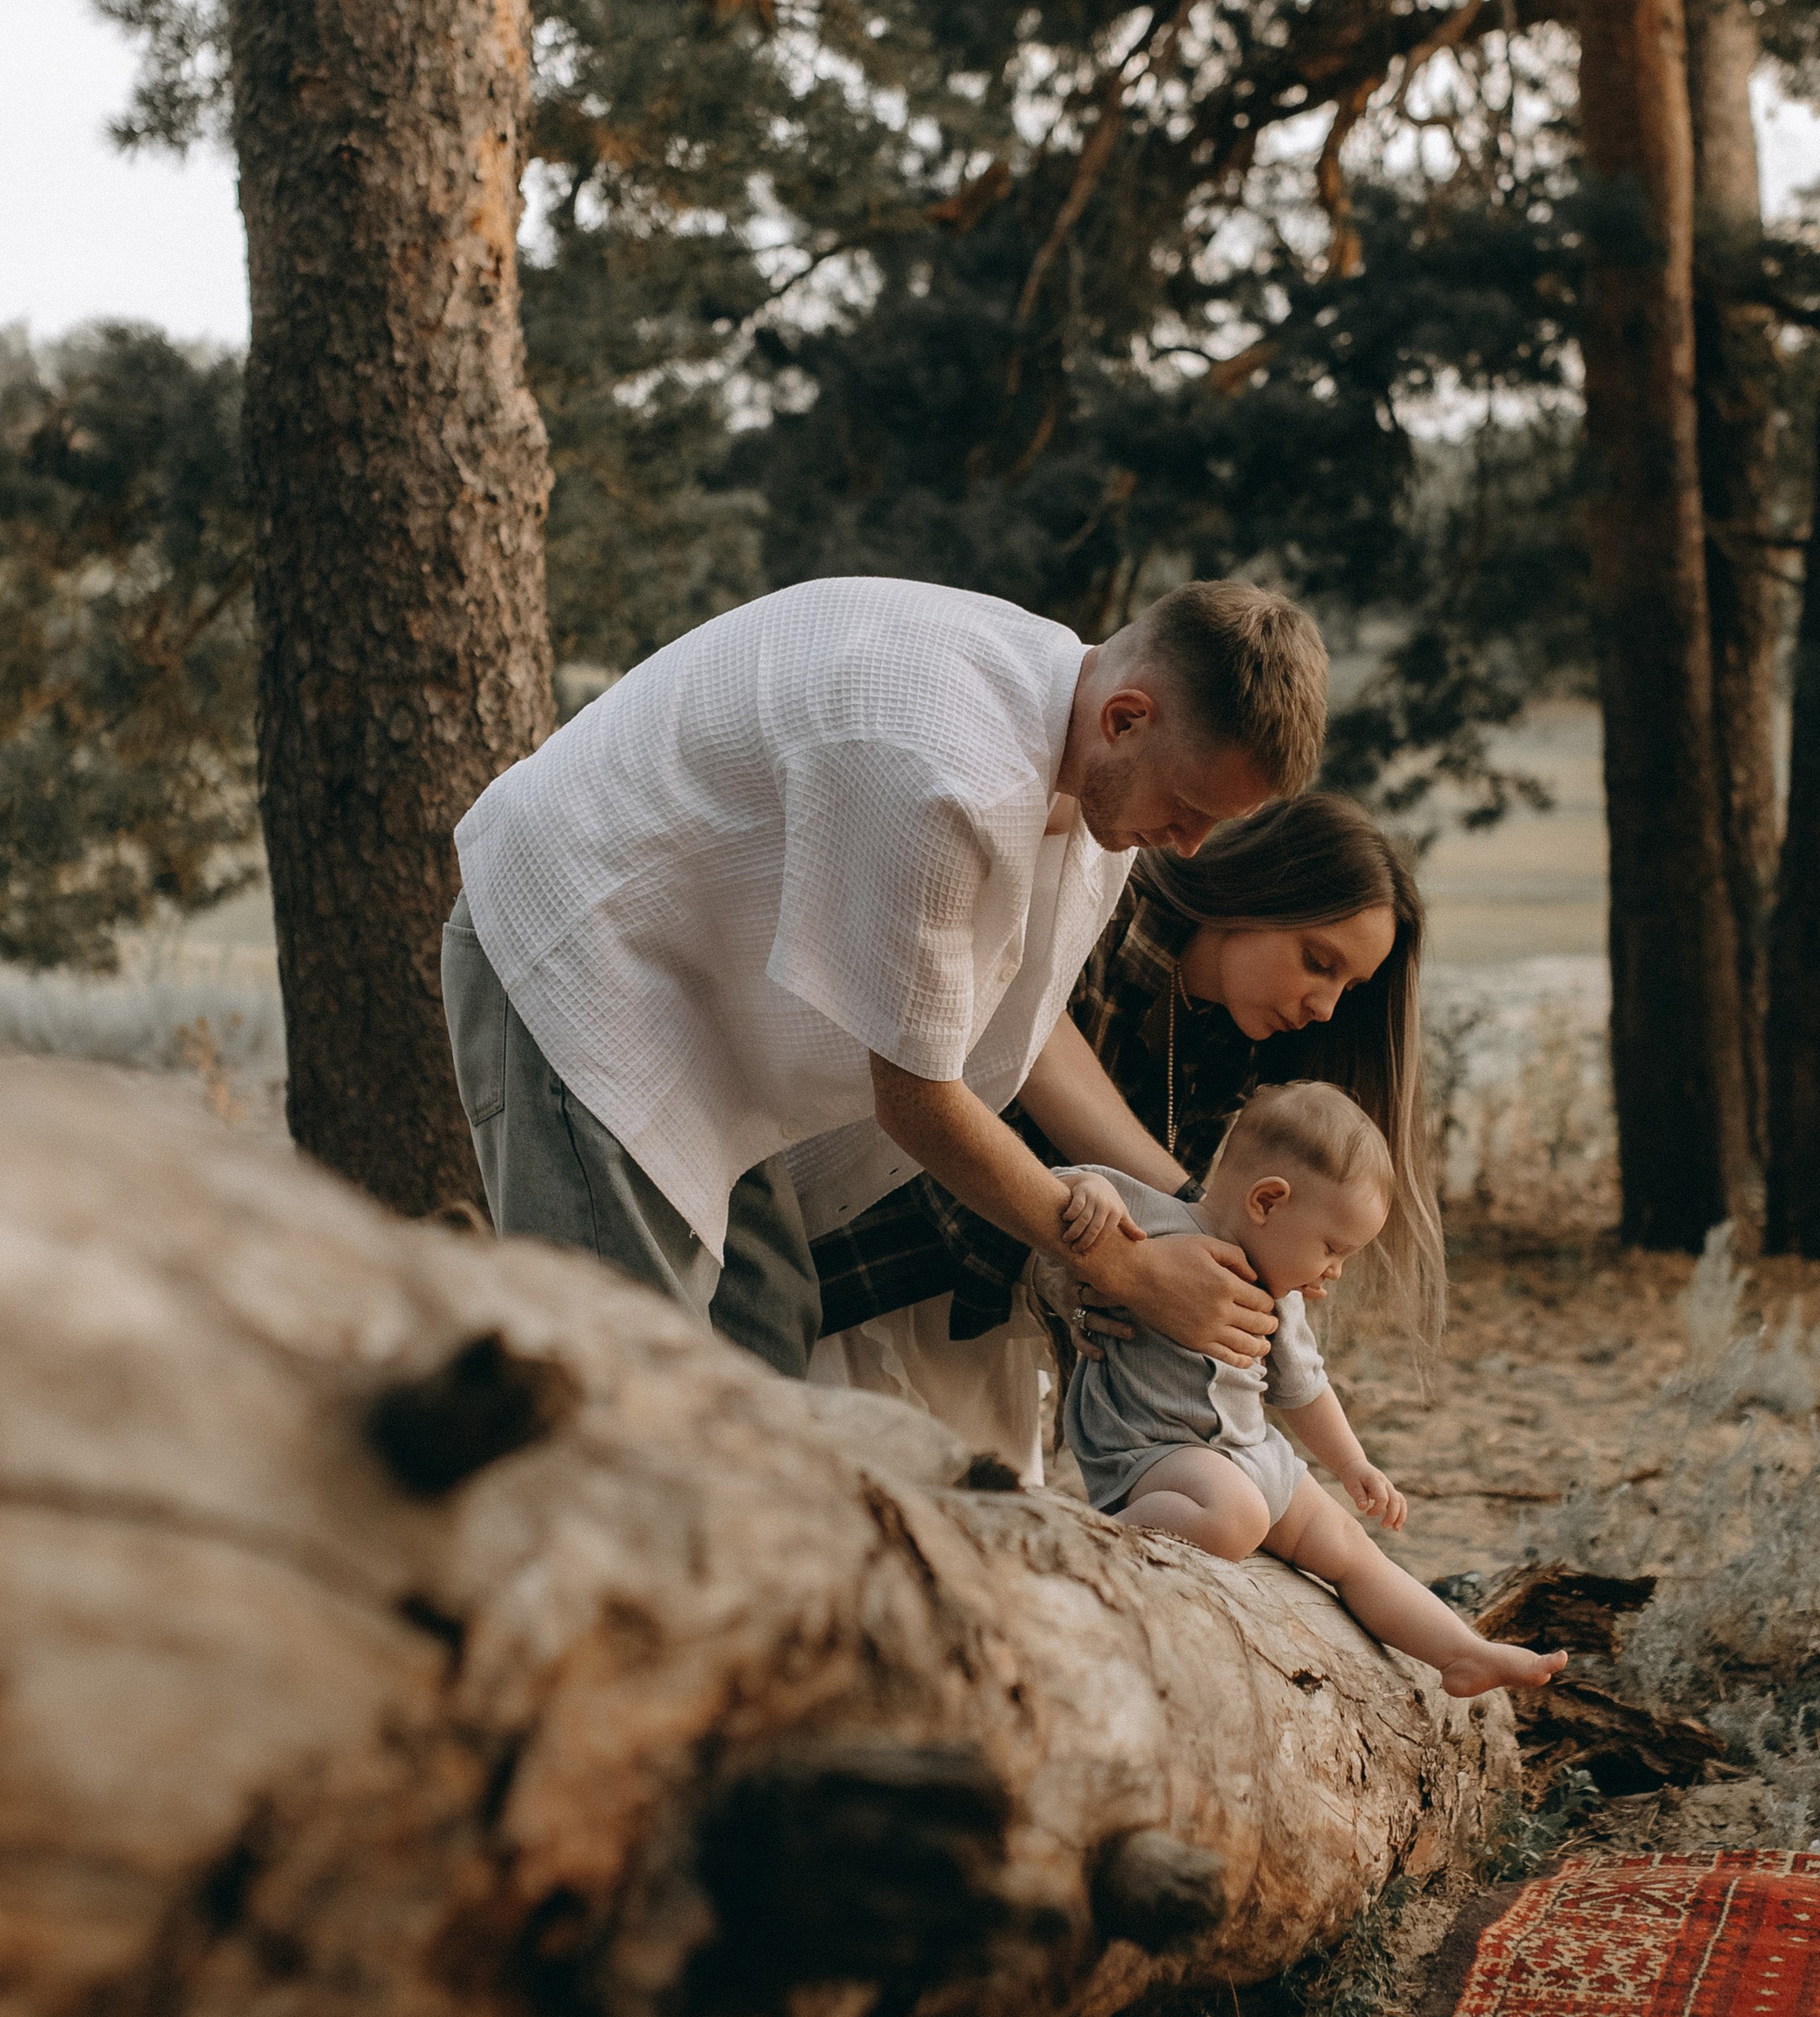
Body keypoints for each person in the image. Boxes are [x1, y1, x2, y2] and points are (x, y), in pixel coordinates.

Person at [441, 574, 1329, 1379]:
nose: (1189, 846)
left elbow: (1003, 1029)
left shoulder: (1082, 750)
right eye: (1187, 808)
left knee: (765, 1318)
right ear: (1125, 717)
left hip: (699, 998)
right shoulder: (945, 772)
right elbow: (917, 1098)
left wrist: (1170, 1213)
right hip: (581, 947)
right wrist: (1127, 1267)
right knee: (621, 1365)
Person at [803, 791, 1443, 1472]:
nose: (1325, 1007)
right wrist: (1187, 1223)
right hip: (857, 1250)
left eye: (1350, 987)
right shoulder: (1102, 906)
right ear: (1262, 891)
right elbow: (1022, 1048)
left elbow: (1113, 1240)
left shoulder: (1231, 1050)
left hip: (974, 1308)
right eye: (1318, 961)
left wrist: (1110, 1277)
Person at [1055, 1082, 1563, 1699]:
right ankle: (1084, 1550)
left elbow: (1305, 1392)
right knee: (1235, 1514)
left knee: (1349, 1546)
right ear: (1268, 1201)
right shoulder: (1155, 1222)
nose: (1336, 1271)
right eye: (1331, 1247)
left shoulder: (1283, 1297)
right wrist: (1094, 1189)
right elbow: (1063, 1183)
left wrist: (1353, 1464)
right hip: (1153, 1453)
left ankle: (1459, 1652)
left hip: (1251, 1453)